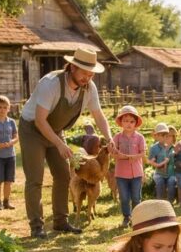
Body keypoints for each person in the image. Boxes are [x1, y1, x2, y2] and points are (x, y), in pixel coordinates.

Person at [19, 48, 113, 238]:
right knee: (35, 178)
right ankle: (36, 226)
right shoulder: (51, 84)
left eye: (91, 74)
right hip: (32, 129)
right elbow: (40, 120)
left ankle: (61, 222)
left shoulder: (89, 89)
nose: (88, 77)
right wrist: (60, 144)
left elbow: (99, 116)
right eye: (84, 73)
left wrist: (110, 139)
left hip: (55, 130)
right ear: (72, 67)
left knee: (63, 175)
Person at [112, 105, 147, 228]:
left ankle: (137, 218)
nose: (128, 124)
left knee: (136, 197)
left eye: (132, 121)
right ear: (121, 122)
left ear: (136, 123)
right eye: (125, 121)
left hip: (136, 173)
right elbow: (113, 154)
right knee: (124, 197)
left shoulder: (140, 137)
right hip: (121, 173)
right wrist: (123, 156)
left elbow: (143, 153)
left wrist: (134, 156)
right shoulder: (117, 137)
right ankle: (126, 217)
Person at [148, 122, 176, 202]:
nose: (164, 138)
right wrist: (159, 164)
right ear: (156, 136)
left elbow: (176, 160)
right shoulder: (154, 148)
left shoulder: (172, 147)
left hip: (171, 172)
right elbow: (151, 161)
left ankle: (170, 201)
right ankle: (160, 201)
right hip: (159, 173)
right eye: (161, 135)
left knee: (171, 181)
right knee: (159, 181)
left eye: (165, 135)